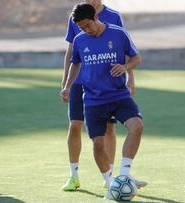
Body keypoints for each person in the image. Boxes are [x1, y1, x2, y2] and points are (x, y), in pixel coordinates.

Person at [60, 3, 145, 199]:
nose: (85, 30)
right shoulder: (80, 40)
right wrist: (67, 85)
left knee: (137, 126)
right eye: (81, 28)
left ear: (96, 18)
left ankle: (123, 175)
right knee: (98, 144)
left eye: (88, 26)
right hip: (93, 100)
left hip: (118, 95)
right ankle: (110, 185)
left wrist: (125, 68)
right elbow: (75, 63)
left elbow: (136, 57)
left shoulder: (118, 33)